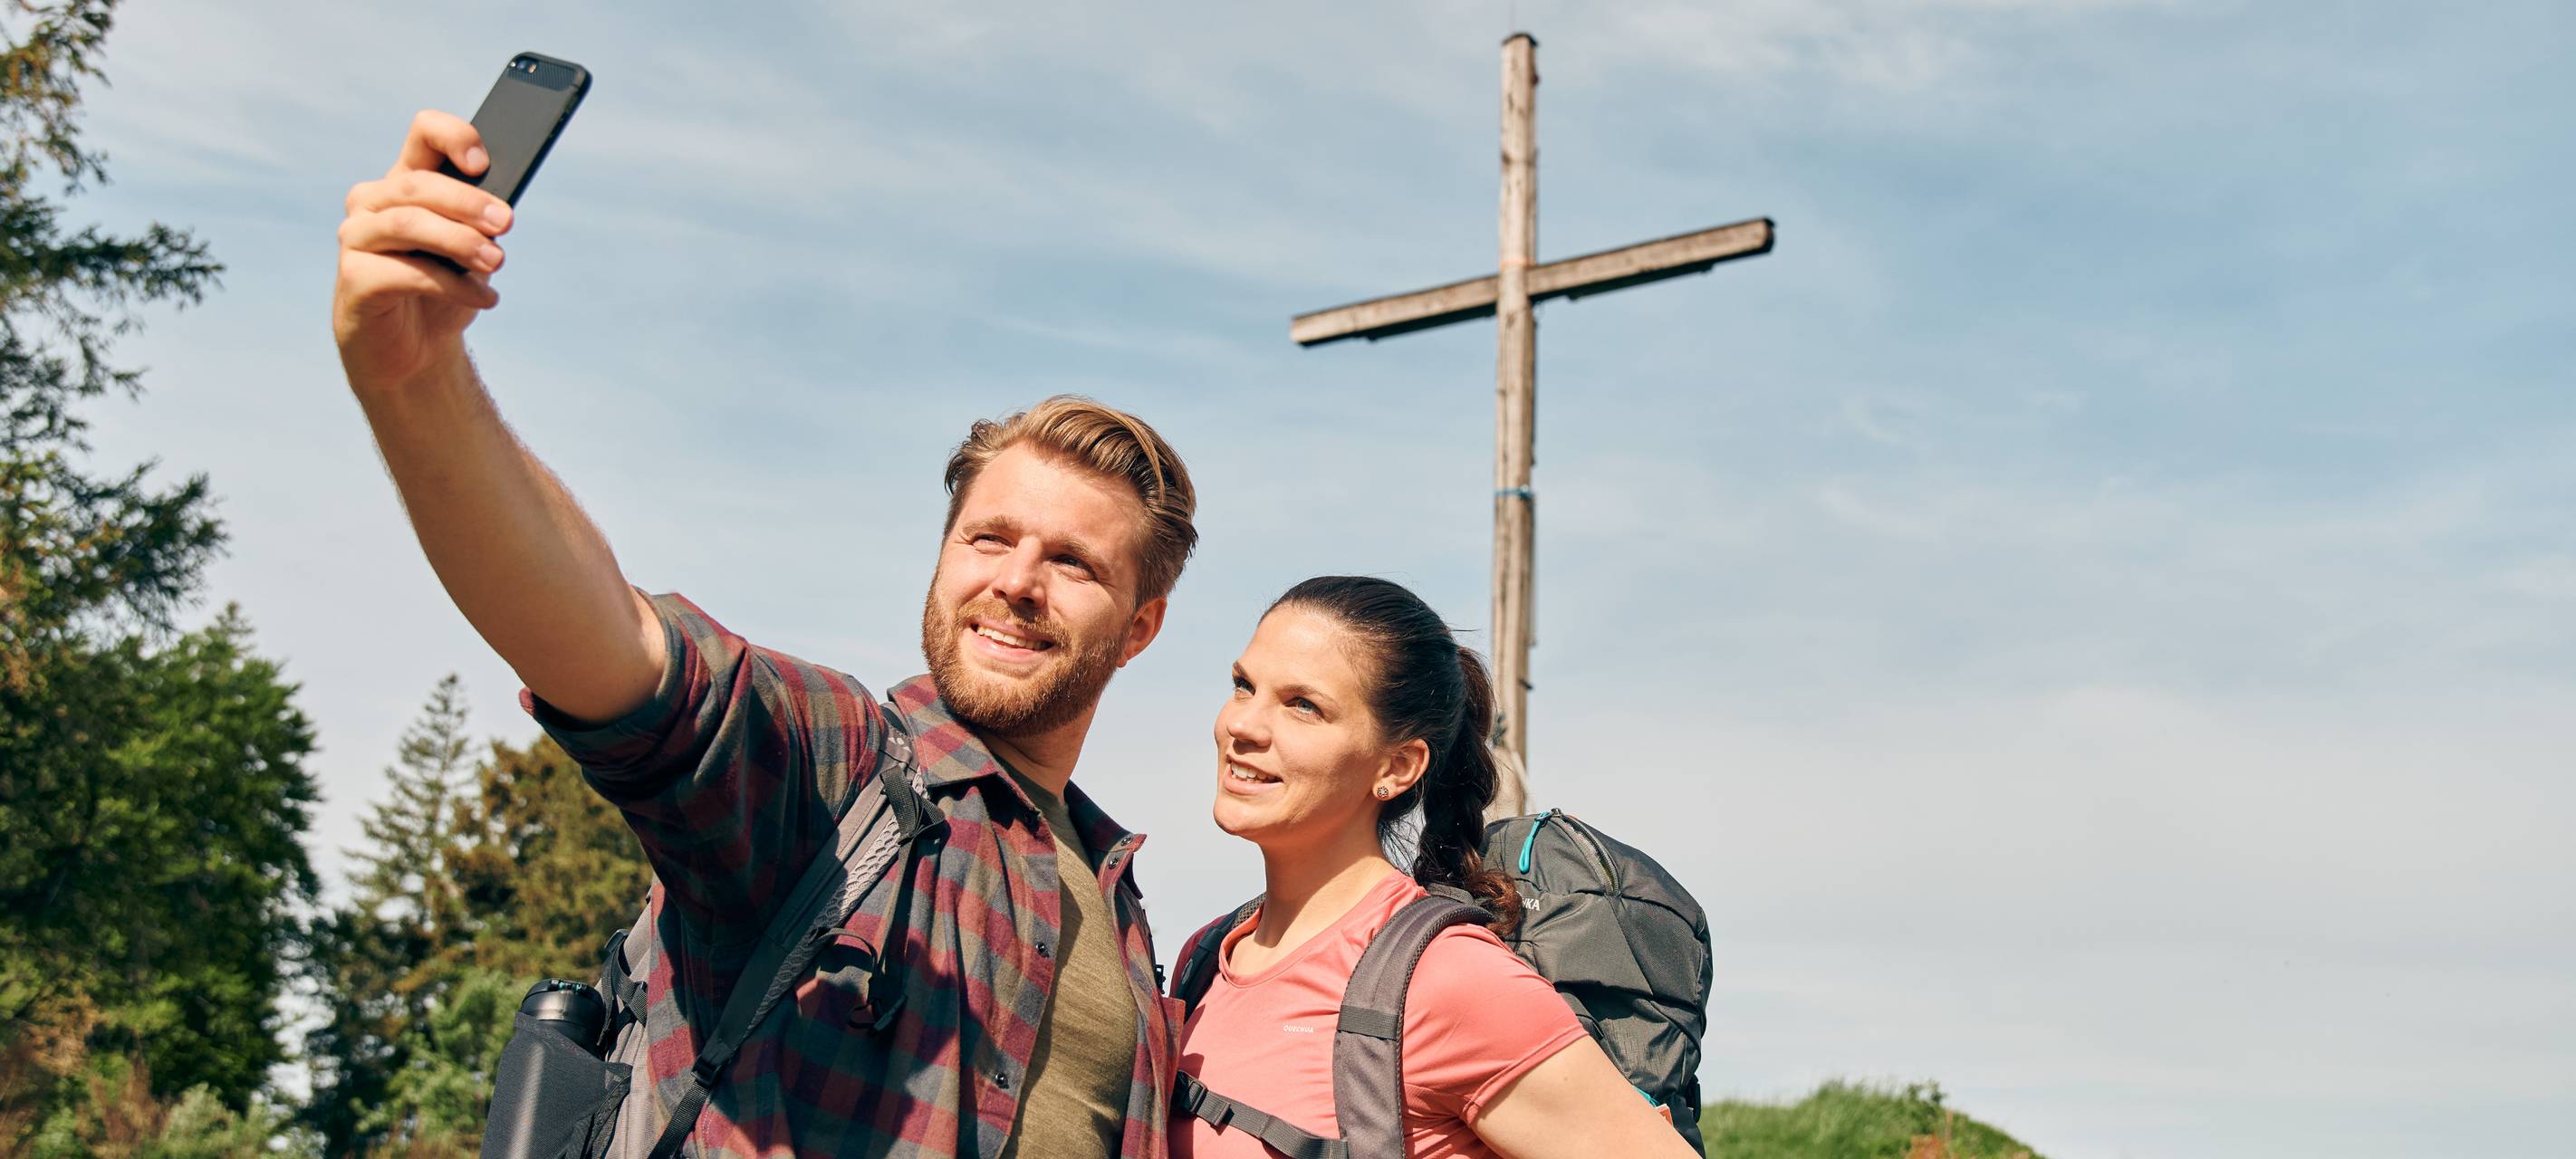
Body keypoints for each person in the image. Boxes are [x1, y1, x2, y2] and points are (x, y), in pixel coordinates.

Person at [331, 110, 1194, 1157]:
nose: (1015, 582)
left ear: (1140, 626)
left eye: (1072, 562)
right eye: (989, 537)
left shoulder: (1126, 914)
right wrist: (417, 384)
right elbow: (623, 657)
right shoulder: (837, 771)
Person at [1177, 576, 1700, 1158]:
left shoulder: (1444, 979)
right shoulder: (1204, 958)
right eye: (1244, 686)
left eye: (1304, 706)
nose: (1242, 725)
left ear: (1398, 766)